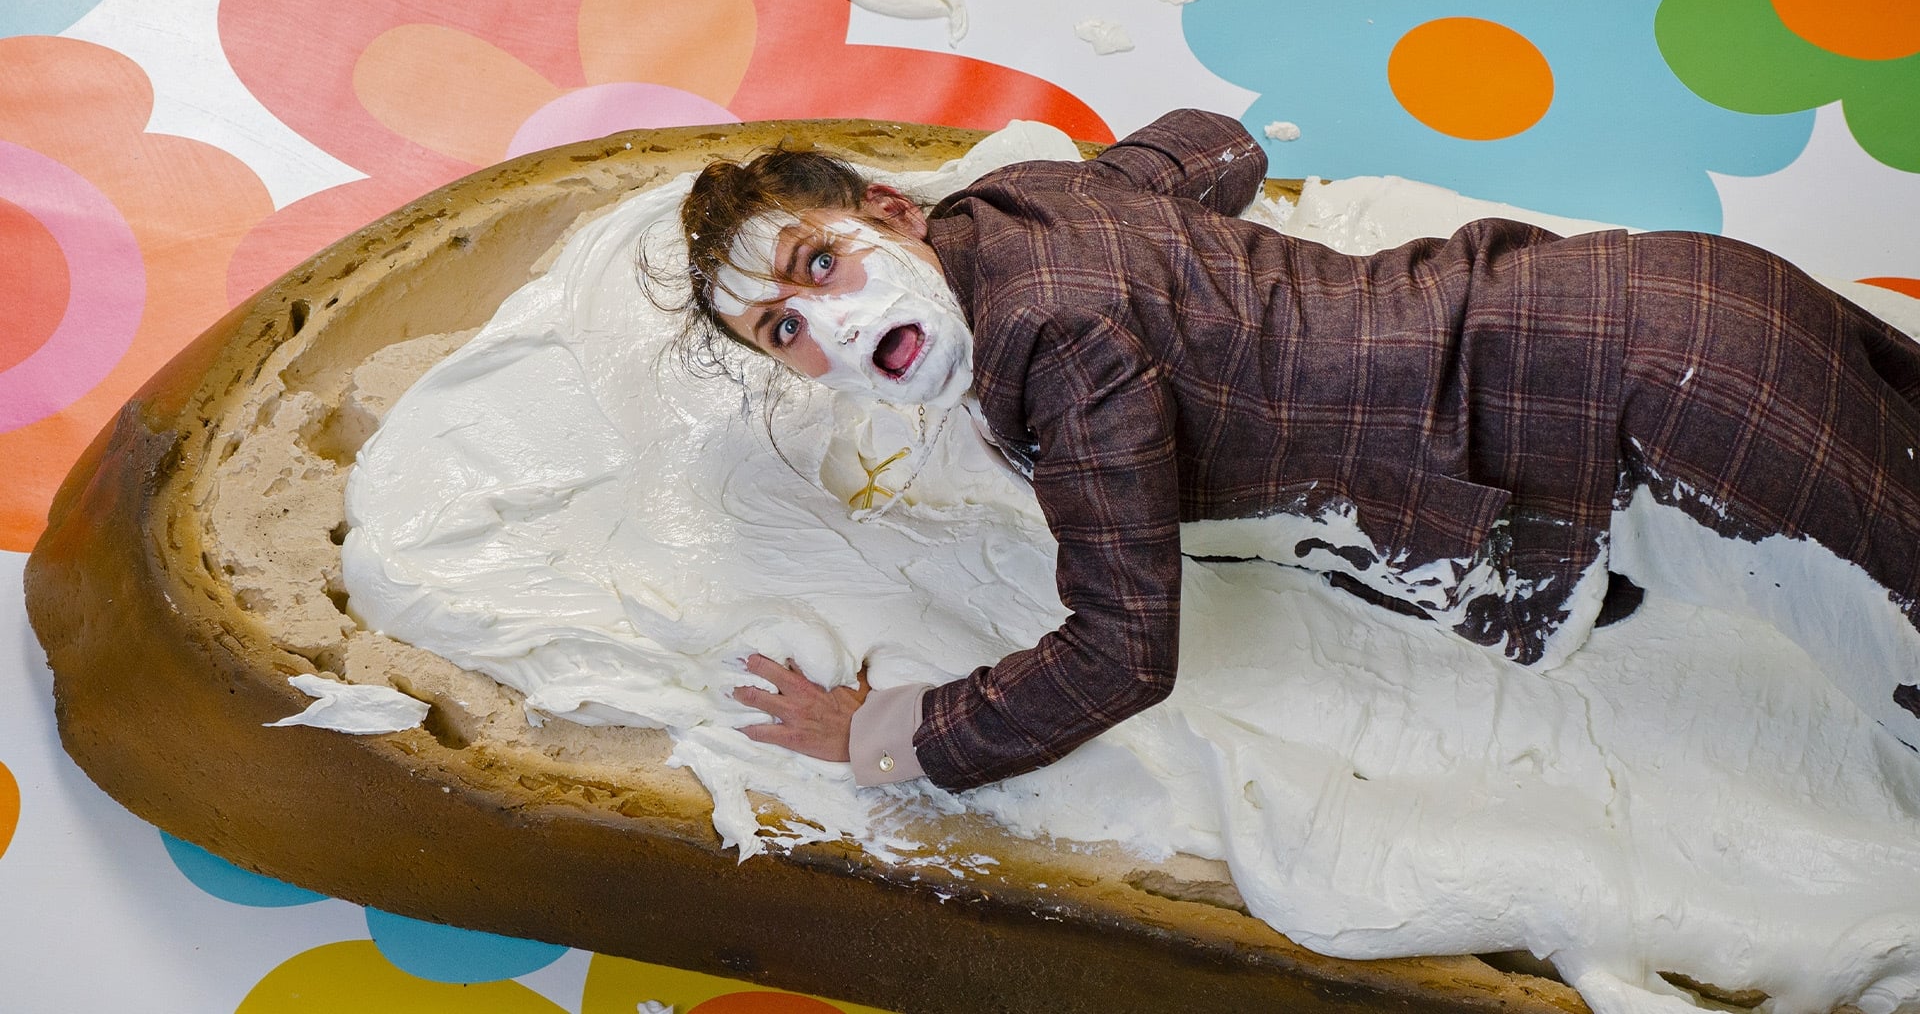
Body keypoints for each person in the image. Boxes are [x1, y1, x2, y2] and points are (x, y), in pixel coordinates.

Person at [669, 109, 1920, 793]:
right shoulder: (1033, 195)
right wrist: (1161, 253)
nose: (829, 326)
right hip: (1661, 291)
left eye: (819, 264)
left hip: (1658, 409)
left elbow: (1121, 651)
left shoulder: (1050, 338)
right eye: (783, 330)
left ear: (893, 213)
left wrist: (890, 733)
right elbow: (1220, 141)